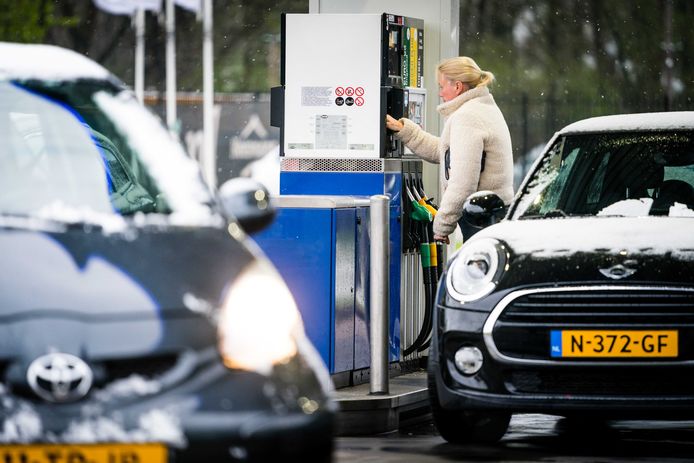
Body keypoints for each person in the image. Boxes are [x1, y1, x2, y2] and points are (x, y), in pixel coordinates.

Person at [386, 56, 514, 243]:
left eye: (441, 86)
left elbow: (463, 181)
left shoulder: (467, 116)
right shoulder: (484, 108)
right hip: (494, 213)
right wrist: (405, 130)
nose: (440, 93)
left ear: (457, 86)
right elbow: (447, 153)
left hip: (480, 218)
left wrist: (442, 225)